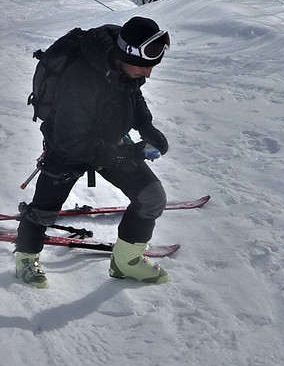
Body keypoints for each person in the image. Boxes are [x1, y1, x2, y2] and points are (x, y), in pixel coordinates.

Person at [14, 16, 172, 288]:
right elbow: (69, 138)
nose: (148, 74)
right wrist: (117, 156)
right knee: (43, 210)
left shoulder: (125, 68)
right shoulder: (82, 79)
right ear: (126, 55)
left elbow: (133, 95)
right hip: (66, 148)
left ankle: (127, 262)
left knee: (152, 198)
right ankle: (25, 258)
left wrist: (147, 127)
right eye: (144, 67)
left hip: (111, 143)